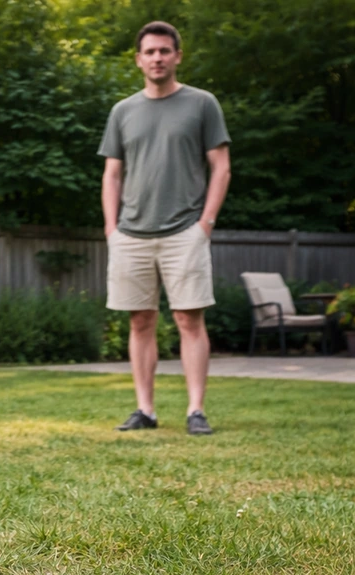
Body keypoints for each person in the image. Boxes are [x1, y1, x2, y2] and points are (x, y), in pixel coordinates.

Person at [99, 20, 231, 435]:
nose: (157, 58)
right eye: (150, 52)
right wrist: (110, 229)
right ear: (139, 59)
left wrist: (205, 224)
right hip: (131, 235)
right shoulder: (123, 111)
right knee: (140, 321)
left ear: (177, 56)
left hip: (184, 232)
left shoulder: (202, 104)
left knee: (189, 320)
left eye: (164, 51)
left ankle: (195, 411)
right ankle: (146, 411)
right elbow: (112, 174)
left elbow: (221, 166)